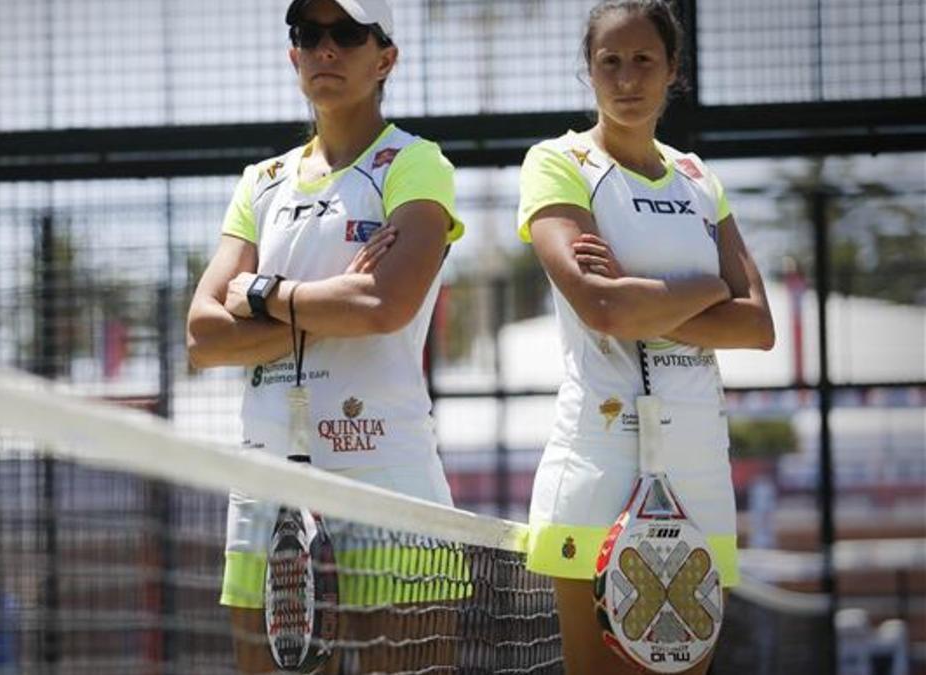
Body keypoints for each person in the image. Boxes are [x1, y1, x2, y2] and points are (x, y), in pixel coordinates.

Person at [185, 0, 466, 671]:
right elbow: (203, 335)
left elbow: (382, 303)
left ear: (385, 58)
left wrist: (262, 296)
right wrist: (326, 307)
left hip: (387, 477)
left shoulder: (416, 164)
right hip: (266, 488)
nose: (326, 49)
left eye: (347, 33)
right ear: (293, 56)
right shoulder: (262, 182)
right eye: (309, 35)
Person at [515, 2, 775, 673]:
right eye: (610, 62)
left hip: (697, 466)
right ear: (589, 71)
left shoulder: (699, 179)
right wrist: (707, 286)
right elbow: (600, 306)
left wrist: (640, 298)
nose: (626, 78)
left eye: (643, 62)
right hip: (595, 458)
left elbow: (758, 324)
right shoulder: (556, 162)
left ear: (672, 73)